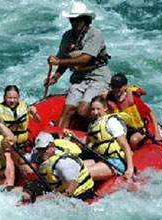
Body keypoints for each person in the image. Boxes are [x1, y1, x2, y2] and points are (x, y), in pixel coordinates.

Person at [45, 1, 112, 129]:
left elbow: (85, 59)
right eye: (72, 20)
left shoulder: (95, 35)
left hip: (98, 76)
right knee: (68, 110)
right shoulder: (67, 36)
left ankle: (95, 129)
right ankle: (58, 138)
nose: (74, 23)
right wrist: (55, 77)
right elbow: (64, 58)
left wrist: (59, 61)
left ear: (86, 20)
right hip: (78, 78)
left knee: (82, 111)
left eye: (78, 20)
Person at [0, 85, 42, 186]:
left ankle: (27, 180)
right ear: (4, 97)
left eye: (15, 98)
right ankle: (9, 184)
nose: (12, 100)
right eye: (9, 98)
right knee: (9, 152)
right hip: (6, 145)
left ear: (18, 98)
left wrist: (35, 114)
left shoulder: (24, 106)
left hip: (23, 145)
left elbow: (38, 121)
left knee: (29, 169)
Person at [22, 132, 95, 203]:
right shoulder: (39, 155)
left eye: (45, 148)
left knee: (37, 201)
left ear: (53, 146)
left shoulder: (63, 162)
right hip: (57, 187)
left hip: (80, 194)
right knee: (27, 193)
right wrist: (12, 147)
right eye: (39, 149)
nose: (42, 152)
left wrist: (64, 196)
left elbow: (74, 183)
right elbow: (21, 160)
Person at [105, 73, 162, 150]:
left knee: (134, 140)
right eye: (114, 87)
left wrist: (157, 133)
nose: (116, 89)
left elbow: (150, 114)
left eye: (119, 87)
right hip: (118, 130)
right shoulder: (109, 100)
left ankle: (135, 153)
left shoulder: (133, 100)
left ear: (125, 86)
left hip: (135, 130)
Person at [84, 95, 134, 181]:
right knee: (74, 168)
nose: (95, 112)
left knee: (83, 173)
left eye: (98, 109)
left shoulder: (111, 122)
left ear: (105, 108)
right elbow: (87, 142)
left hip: (116, 161)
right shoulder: (93, 125)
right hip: (102, 159)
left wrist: (130, 168)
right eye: (93, 109)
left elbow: (125, 146)